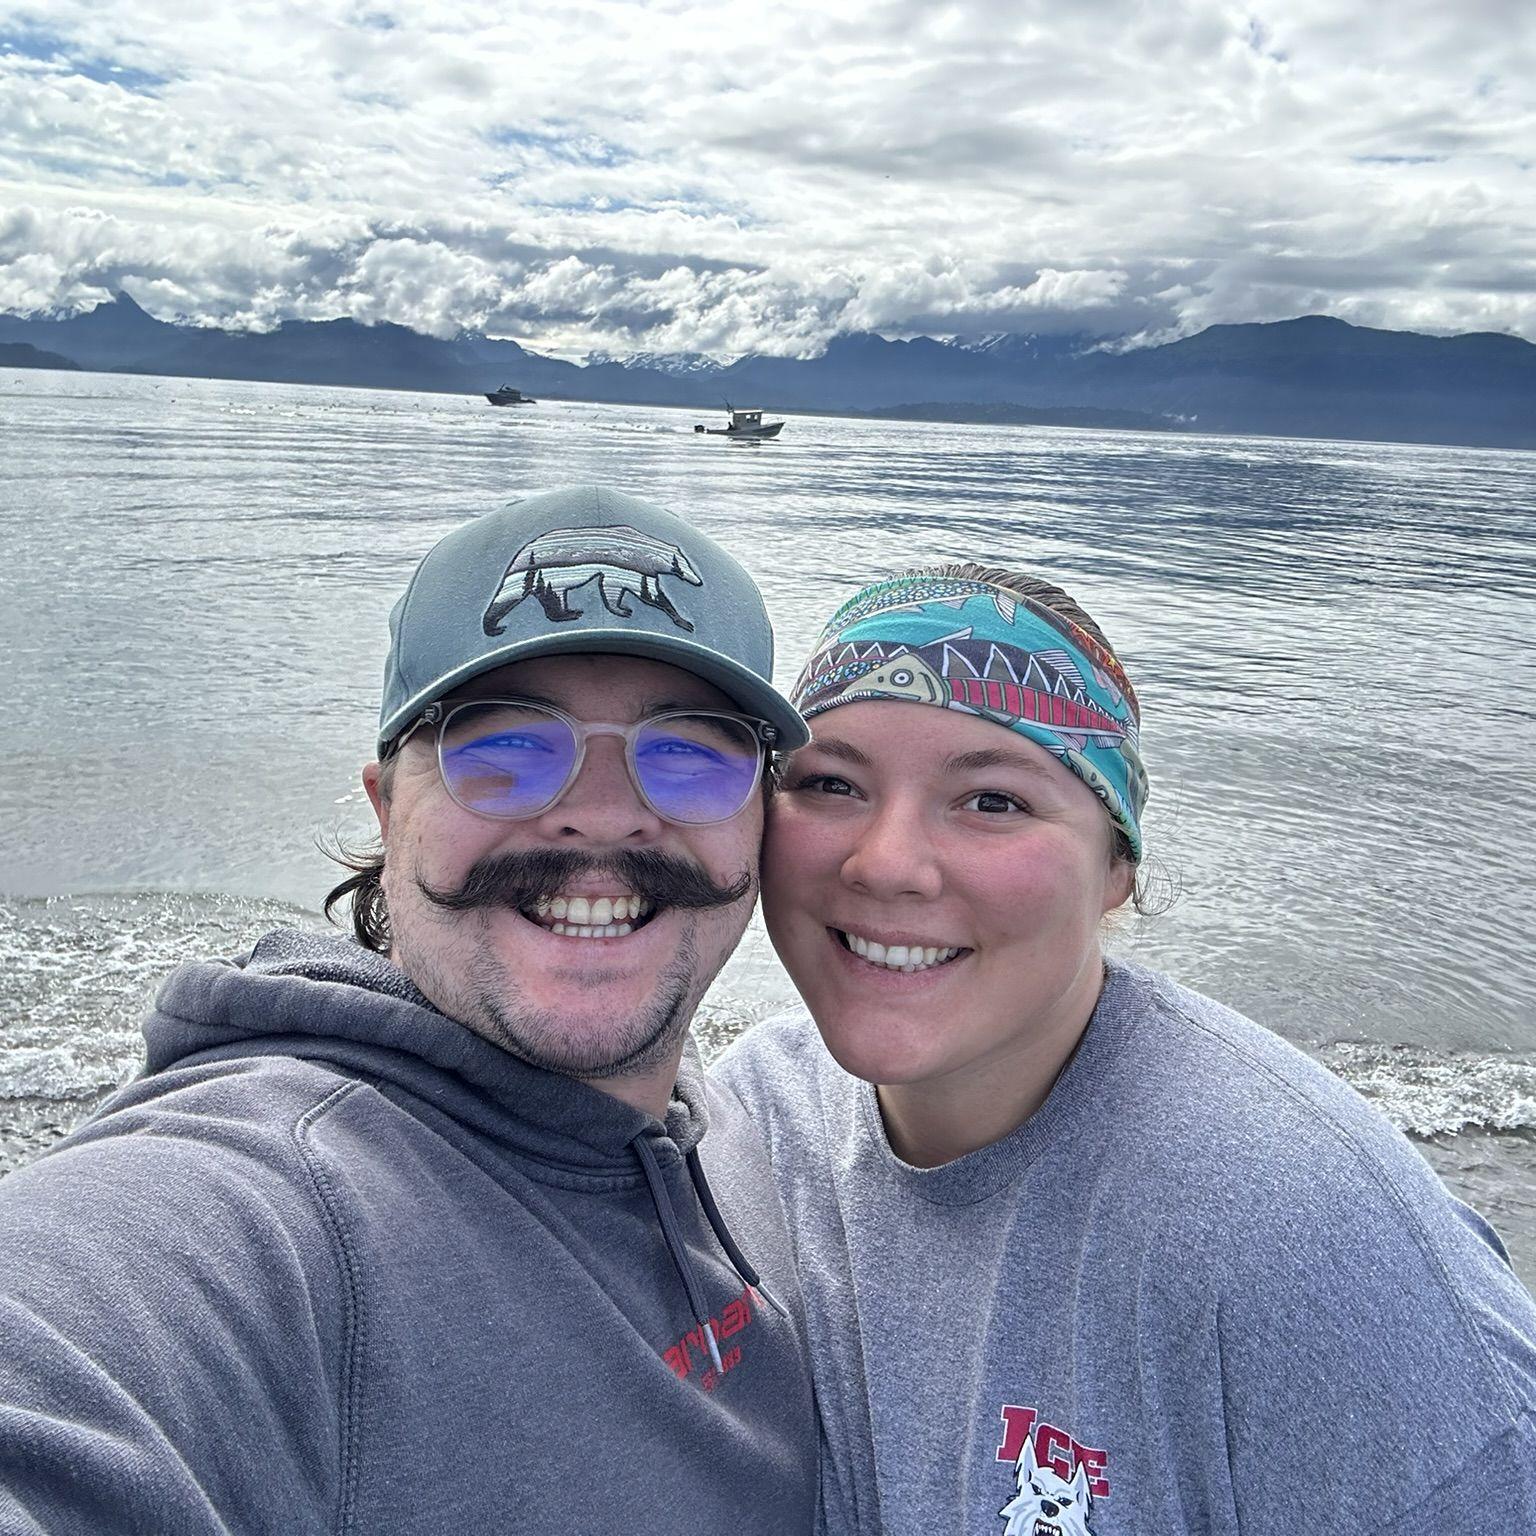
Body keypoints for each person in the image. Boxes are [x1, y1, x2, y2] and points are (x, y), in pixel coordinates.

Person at [0, 487, 819, 1534]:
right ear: (389, 812)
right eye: (504, 748)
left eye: (691, 753)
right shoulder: (273, 1208)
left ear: (763, 821)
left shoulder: (743, 1127)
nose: (604, 816)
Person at [714, 563, 1536, 1535]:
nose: (887, 863)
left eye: (992, 801)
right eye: (832, 783)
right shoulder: (754, 1125)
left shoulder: (1308, 1248)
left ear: (1115, 867)